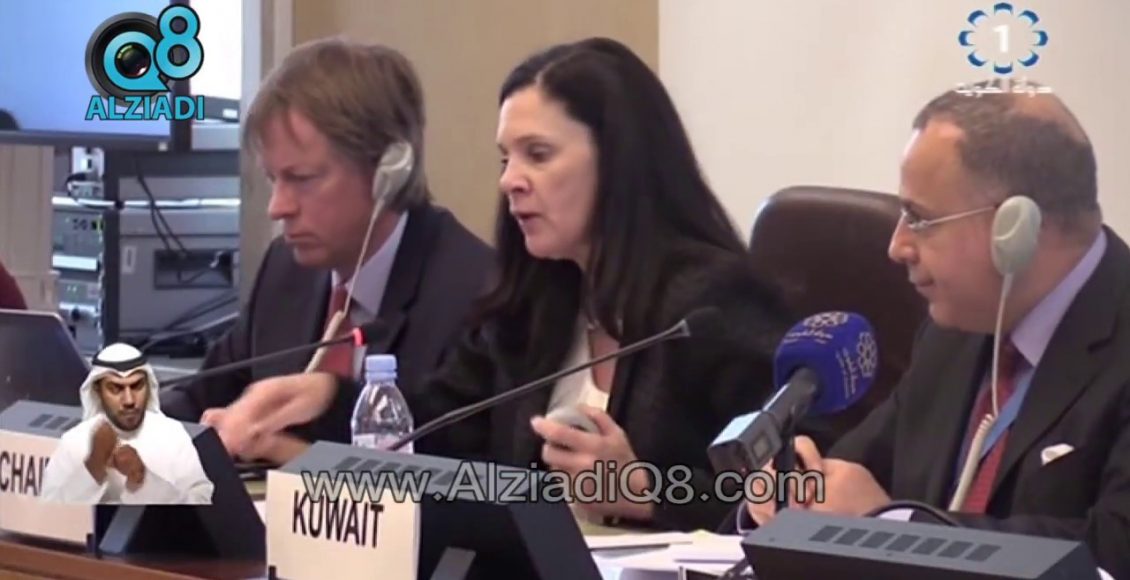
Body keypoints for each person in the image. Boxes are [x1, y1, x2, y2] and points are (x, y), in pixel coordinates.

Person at [212, 37, 795, 533]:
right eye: (505, 159)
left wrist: (646, 489)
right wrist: (330, 400)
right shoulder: (534, 300)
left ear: (619, 161)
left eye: (537, 155)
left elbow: (803, 490)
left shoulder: (712, 306)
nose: (511, 181)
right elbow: (441, 442)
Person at [735, 82, 1130, 579]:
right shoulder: (955, 331)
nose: (897, 246)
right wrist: (797, 491)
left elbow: (1114, 549)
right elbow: (854, 471)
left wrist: (891, 529)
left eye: (920, 218)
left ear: (1017, 229)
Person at [159, 38, 493, 464]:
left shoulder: (476, 291)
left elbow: (460, 467)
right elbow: (199, 399)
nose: (278, 207)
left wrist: (302, 437)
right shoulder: (286, 269)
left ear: (388, 173)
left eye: (301, 179)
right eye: (274, 179)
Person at [41, 343, 214, 504]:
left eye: (137, 386)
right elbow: (49, 514)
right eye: (116, 389)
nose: (129, 400)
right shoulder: (74, 442)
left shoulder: (172, 435)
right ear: (97, 391)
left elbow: (201, 504)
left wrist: (143, 479)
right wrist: (93, 467)